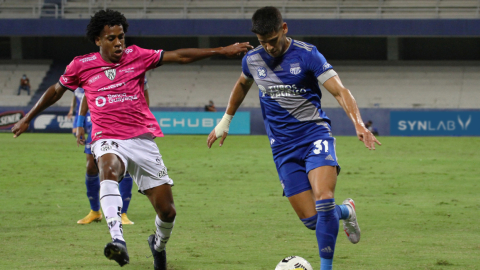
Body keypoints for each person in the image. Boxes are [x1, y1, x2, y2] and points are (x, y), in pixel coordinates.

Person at [12, 9, 252, 269]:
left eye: (121, 37)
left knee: (167, 211)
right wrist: (28, 116)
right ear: (98, 40)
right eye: (111, 38)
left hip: (142, 140)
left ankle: (157, 246)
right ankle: (118, 242)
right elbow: (56, 91)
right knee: (107, 168)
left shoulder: (137, 56)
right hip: (107, 137)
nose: (118, 42)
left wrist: (221, 50)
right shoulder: (81, 65)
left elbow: (180, 56)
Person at [207, 6, 381, 270]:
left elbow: (340, 91)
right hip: (283, 149)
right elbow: (242, 84)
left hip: (315, 136)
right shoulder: (252, 59)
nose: (269, 48)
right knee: (313, 220)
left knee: (323, 200)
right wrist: (225, 120)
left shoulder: (308, 55)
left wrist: (358, 123)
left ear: (284, 29)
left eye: (273, 41)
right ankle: (346, 211)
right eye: (262, 42)